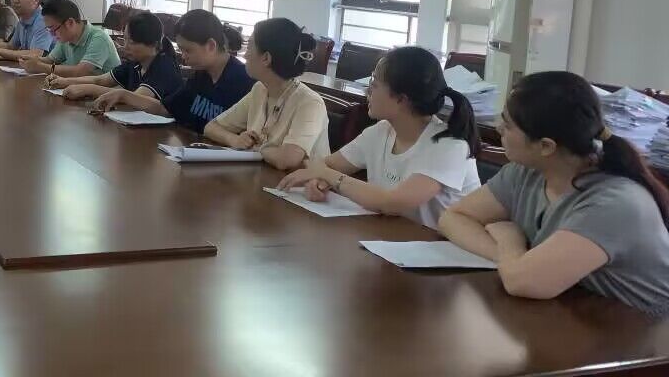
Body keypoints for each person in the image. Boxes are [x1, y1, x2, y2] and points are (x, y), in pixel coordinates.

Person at [439, 72, 669, 315]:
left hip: (643, 329)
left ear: (546, 146)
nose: (499, 129)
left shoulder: (615, 203)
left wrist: (510, 241)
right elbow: (453, 218)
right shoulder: (527, 172)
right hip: (577, 314)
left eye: (508, 125)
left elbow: (523, 282)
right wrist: (513, 261)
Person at [277, 46, 480, 229]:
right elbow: (326, 165)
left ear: (401, 99)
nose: (367, 91)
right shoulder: (381, 131)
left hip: (444, 250)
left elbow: (393, 203)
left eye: (374, 85)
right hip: (394, 239)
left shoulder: (449, 145)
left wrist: (327, 176)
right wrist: (318, 180)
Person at [92, 9, 251, 133]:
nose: (183, 57)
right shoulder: (200, 77)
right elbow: (165, 108)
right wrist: (123, 95)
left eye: (188, 50)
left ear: (211, 45)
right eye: (181, 50)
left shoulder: (245, 82)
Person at [203, 17, 329, 170]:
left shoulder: (310, 103)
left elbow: (287, 159)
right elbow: (211, 128)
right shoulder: (260, 89)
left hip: (300, 184)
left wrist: (258, 148)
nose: (245, 55)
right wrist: (235, 140)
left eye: (249, 48)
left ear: (266, 58)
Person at [43, 10, 182, 102]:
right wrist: (63, 81)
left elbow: (136, 98)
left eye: (132, 42)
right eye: (125, 39)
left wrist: (88, 89)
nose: (125, 47)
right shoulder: (135, 63)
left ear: (153, 45)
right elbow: (100, 80)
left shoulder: (164, 66)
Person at [19, 0, 120, 77]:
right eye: (48, 29)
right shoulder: (65, 38)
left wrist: (40, 67)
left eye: (53, 29)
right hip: (81, 89)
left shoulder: (99, 38)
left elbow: (80, 72)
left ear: (70, 22)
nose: (52, 34)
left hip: (107, 93)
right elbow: (50, 60)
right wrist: (33, 60)